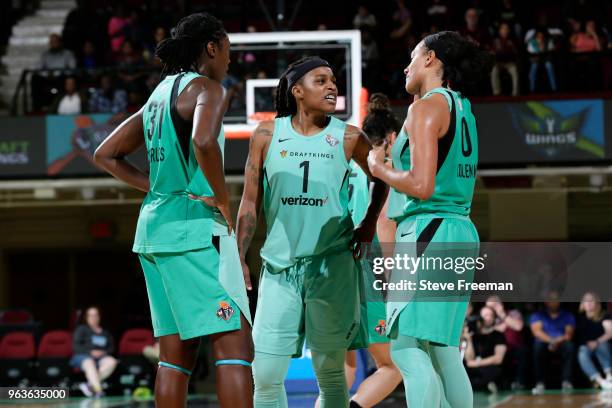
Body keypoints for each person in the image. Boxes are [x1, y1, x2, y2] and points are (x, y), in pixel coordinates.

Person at [94, 13, 253, 408]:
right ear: (212, 48)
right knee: (235, 345)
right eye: (228, 50)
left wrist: (160, 187)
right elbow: (203, 141)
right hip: (192, 230)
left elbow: (105, 154)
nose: (230, 60)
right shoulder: (209, 88)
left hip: (152, 231)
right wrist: (222, 198)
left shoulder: (158, 96)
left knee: (174, 356)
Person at [236, 56, 387, 408]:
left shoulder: (350, 137)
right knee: (267, 374)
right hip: (279, 269)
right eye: (321, 81)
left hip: (332, 267)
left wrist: (366, 225)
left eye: (334, 80)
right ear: (297, 91)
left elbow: (380, 180)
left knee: (331, 373)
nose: (332, 86)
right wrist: (239, 256)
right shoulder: (266, 134)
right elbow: (248, 202)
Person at [367, 31, 492, 408]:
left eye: (412, 57)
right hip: (458, 228)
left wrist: (380, 168)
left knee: (404, 349)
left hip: (428, 229)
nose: (405, 66)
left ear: (431, 59)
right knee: (444, 351)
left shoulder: (425, 108)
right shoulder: (463, 107)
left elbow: (422, 185)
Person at [341, 93, 402, 408]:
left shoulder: (347, 163)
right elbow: (382, 221)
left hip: (337, 267)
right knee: (392, 366)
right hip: (369, 269)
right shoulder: (385, 167)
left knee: (346, 363)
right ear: (392, 138)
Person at [529, 291, 575, 394]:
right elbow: (537, 332)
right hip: (544, 342)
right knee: (537, 347)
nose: (553, 302)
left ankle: (566, 381)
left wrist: (556, 342)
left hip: (561, 341)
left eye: (555, 299)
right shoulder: (538, 315)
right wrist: (551, 341)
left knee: (570, 346)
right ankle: (540, 382)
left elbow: (568, 334)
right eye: (550, 299)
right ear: (546, 302)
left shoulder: (567, 315)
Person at [70, 306, 117, 397]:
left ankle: (89, 385)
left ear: (99, 317)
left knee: (112, 361)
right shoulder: (81, 329)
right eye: (90, 315)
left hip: (101, 357)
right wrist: (90, 352)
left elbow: (111, 348)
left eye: (95, 315)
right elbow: (76, 347)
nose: (93, 318)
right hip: (83, 356)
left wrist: (103, 353)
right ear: (86, 317)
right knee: (89, 362)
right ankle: (98, 390)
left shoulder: (105, 332)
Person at [486, 295, 528, 389]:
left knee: (522, 351)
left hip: (514, 347)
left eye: (495, 305)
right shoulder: (488, 317)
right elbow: (485, 331)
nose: (493, 309)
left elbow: (518, 327)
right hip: (496, 349)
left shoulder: (513, 313)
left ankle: (520, 382)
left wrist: (503, 316)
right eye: (490, 307)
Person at [464, 306, 507, 393]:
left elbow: (498, 359)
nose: (489, 318)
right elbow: (469, 359)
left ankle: (478, 386)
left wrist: (477, 363)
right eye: (486, 315)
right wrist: (469, 340)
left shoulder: (498, 335)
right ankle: (484, 386)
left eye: (491, 315)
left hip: (490, 366)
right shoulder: (473, 335)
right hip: (475, 369)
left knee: (495, 371)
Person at [576, 292, 612, 390]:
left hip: (602, 345)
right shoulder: (579, 318)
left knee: (602, 345)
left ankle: (609, 376)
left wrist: (596, 342)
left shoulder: (604, 315)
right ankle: (600, 381)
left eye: (591, 300)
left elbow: (610, 333)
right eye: (586, 301)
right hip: (586, 347)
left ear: (597, 303)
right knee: (582, 352)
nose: (589, 303)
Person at [491, 22, 520, 96]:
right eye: (503, 29)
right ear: (500, 31)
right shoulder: (495, 41)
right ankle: (496, 92)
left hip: (509, 63)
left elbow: (516, 54)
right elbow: (492, 53)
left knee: (514, 70)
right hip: (498, 63)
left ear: (509, 31)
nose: (504, 30)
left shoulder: (513, 41)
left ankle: (515, 93)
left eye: (506, 29)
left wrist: (512, 47)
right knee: (494, 70)